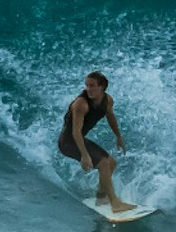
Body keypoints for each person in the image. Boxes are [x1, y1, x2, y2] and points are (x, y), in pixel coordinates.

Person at [58, 71, 136, 213]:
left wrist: (118, 137)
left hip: (79, 139)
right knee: (104, 164)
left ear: (102, 87)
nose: (88, 89)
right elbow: (75, 131)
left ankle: (101, 197)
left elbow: (110, 116)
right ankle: (116, 204)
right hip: (68, 143)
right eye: (87, 85)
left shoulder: (108, 101)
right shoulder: (81, 104)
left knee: (111, 163)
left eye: (92, 86)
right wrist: (84, 155)